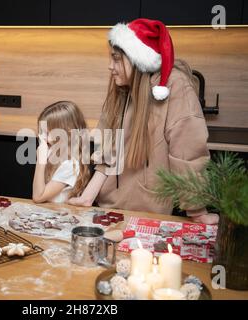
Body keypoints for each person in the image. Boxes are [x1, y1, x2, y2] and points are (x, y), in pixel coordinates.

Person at [68, 19, 219, 224]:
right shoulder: (121, 88)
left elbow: (187, 154)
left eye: (117, 59)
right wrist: (88, 197)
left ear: (137, 60)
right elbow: (107, 151)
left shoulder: (175, 87)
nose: (110, 66)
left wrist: (197, 211)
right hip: (112, 212)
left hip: (152, 215)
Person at [32, 101, 91, 203]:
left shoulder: (70, 164)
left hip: (59, 215)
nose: (42, 137)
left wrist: (40, 162)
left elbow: (38, 197)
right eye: (41, 132)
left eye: (47, 132)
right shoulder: (53, 151)